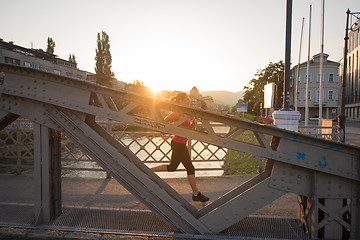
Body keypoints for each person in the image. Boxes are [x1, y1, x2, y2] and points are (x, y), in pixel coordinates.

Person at [151, 92, 209, 202]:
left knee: (172, 167)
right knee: (190, 168)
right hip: (177, 143)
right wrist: (170, 129)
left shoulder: (185, 113)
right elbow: (162, 123)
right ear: (181, 101)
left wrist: (192, 125)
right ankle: (196, 194)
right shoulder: (177, 112)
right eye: (187, 98)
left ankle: (147, 171)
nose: (189, 100)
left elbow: (186, 130)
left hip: (180, 143)